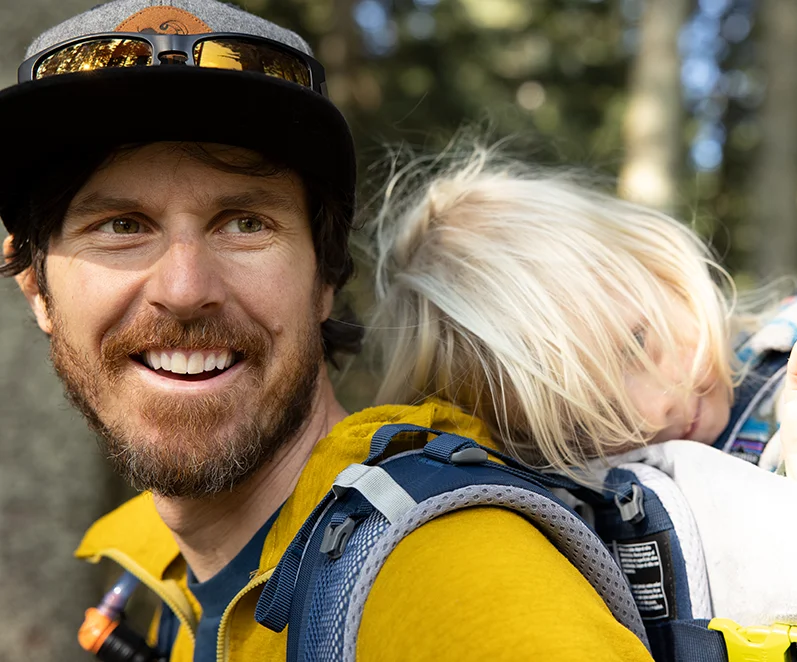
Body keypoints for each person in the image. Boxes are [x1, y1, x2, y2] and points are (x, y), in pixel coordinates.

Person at [0, 3, 654, 661]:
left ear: (325, 278)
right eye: (120, 226)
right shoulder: (166, 583)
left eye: (245, 223)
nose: (185, 288)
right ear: (37, 289)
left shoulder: (456, 575)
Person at [366, 146, 797, 619]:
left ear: (659, 266)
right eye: (586, 422)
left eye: (637, 342)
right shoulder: (587, 497)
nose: (655, 408)